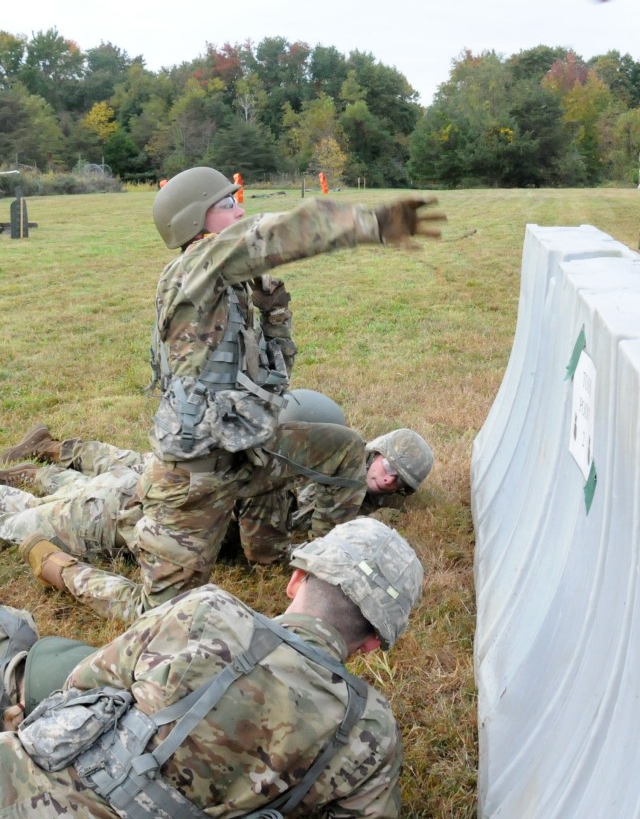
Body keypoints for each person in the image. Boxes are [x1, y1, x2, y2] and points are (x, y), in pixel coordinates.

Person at [12, 167, 446, 622]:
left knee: (343, 451)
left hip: (245, 450)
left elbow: (271, 380)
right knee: (162, 616)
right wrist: (369, 223)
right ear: (195, 219)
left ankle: (320, 567)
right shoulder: (196, 266)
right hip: (195, 474)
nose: (239, 209)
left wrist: (275, 313)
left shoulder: (229, 283)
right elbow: (272, 234)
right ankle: (55, 563)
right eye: (227, 204)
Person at [0, 519, 424, 818]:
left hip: (27, 783)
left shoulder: (208, 609)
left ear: (296, 579)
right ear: (371, 646)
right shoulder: (372, 730)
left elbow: (84, 682)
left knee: (19, 635)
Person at [0, 406, 434, 564]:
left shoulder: (359, 508)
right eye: (387, 466)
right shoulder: (329, 460)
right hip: (209, 491)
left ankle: (37, 472)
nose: (387, 478)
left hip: (212, 503)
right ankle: (51, 452)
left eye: (398, 481)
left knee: (114, 476)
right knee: (122, 466)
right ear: (376, 452)